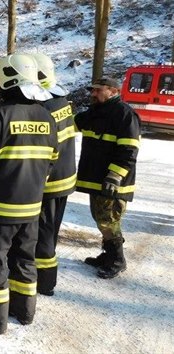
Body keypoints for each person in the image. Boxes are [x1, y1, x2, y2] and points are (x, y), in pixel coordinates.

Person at [0, 54, 58, 335]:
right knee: (24, 259)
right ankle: (24, 311)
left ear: (9, 79)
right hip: (31, 209)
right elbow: (51, 160)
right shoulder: (46, 116)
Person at [74, 77, 141, 279]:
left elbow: (129, 149)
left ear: (113, 91)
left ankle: (118, 260)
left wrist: (114, 175)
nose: (93, 94)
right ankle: (108, 255)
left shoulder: (124, 114)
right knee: (100, 218)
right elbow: (71, 124)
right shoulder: (95, 112)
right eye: (92, 90)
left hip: (113, 182)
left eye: (97, 90)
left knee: (108, 221)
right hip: (97, 180)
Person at [30, 53, 77, 296]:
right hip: (66, 176)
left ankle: (45, 282)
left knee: (44, 233)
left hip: (49, 182)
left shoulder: (43, 108)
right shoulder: (62, 100)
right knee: (52, 229)